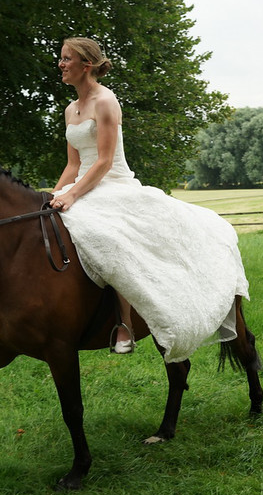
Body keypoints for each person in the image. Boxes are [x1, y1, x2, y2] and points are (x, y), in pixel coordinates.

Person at [49, 36, 250, 363]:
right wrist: (53, 195)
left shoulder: (106, 101)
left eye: (66, 58)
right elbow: (74, 164)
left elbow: (102, 161)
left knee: (110, 239)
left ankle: (124, 323)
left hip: (112, 182)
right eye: (61, 58)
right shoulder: (70, 109)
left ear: (86, 65)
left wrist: (72, 194)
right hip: (81, 182)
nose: (61, 64)